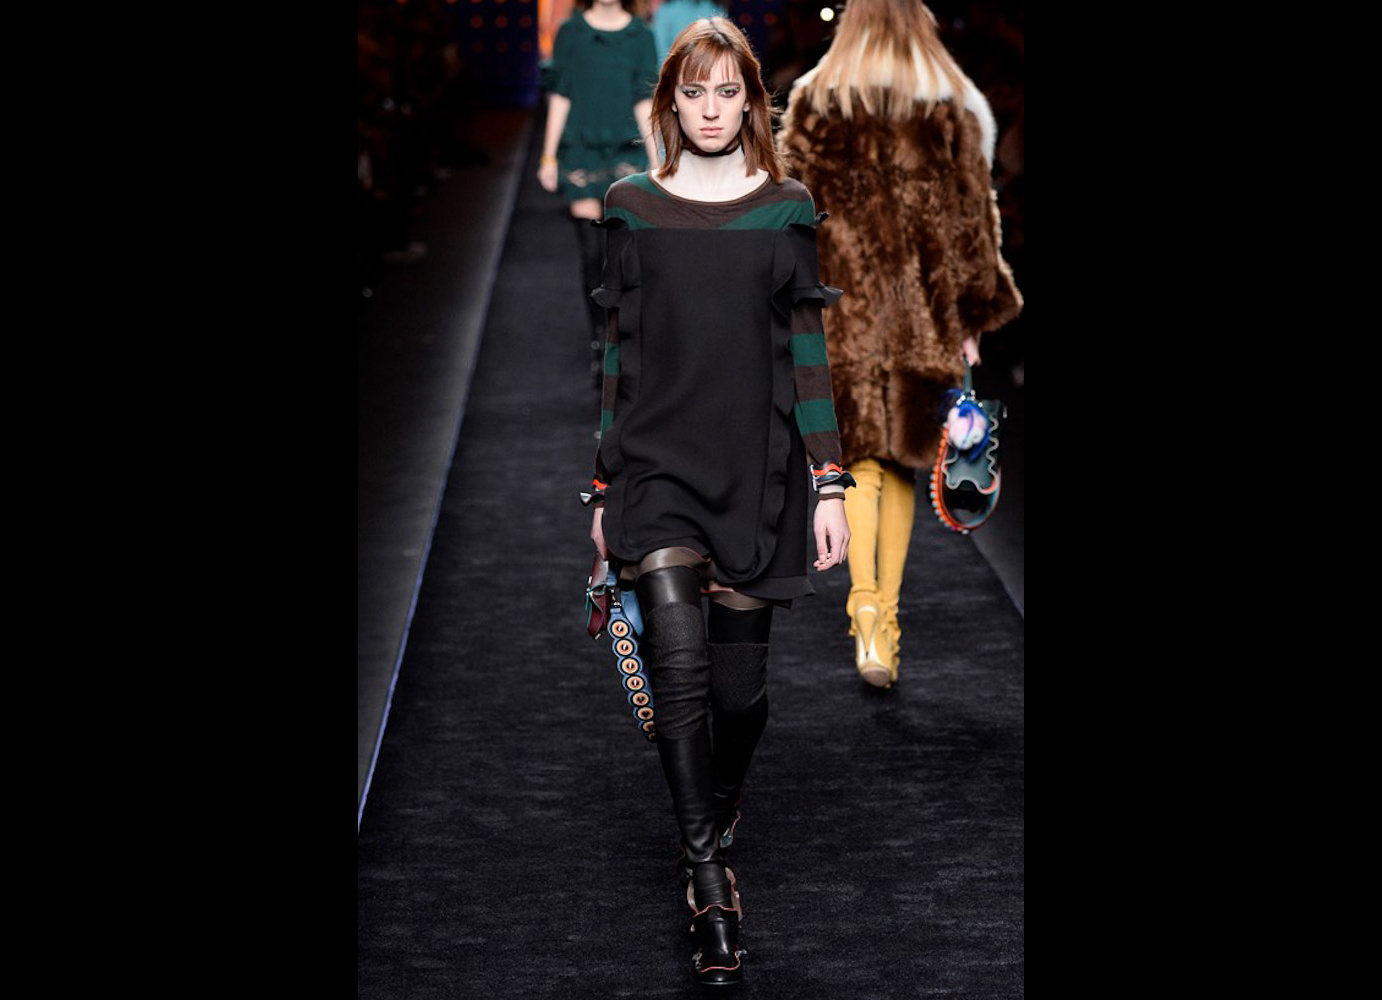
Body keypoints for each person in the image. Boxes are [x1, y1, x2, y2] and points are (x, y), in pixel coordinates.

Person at [582, 16, 853, 987]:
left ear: (750, 103)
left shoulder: (785, 208)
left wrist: (828, 480)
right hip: (657, 467)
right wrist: (603, 483)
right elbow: (617, 355)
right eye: (691, 92)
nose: (708, 109)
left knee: (738, 699)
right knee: (680, 668)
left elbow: (808, 353)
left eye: (726, 92)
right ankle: (709, 882)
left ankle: (719, 801)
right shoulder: (629, 206)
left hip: (755, 467)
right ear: (669, 102)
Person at [777, 0, 1022, 688]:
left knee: (857, 457)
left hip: (842, 311)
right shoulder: (948, 106)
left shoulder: (816, 101)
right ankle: (884, 617)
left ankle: (862, 607)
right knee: (904, 462)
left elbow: (793, 215)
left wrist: (793, 307)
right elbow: (970, 222)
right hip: (923, 313)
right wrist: (972, 315)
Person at [539, 0, 661, 383]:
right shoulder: (571, 32)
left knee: (623, 255)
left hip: (626, 152)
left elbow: (643, 100)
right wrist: (548, 156)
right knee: (592, 255)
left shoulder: (640, 35)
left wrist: (657, 160)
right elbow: (561, 94)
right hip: (580, 151)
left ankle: (622, 337)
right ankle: (601, 341)